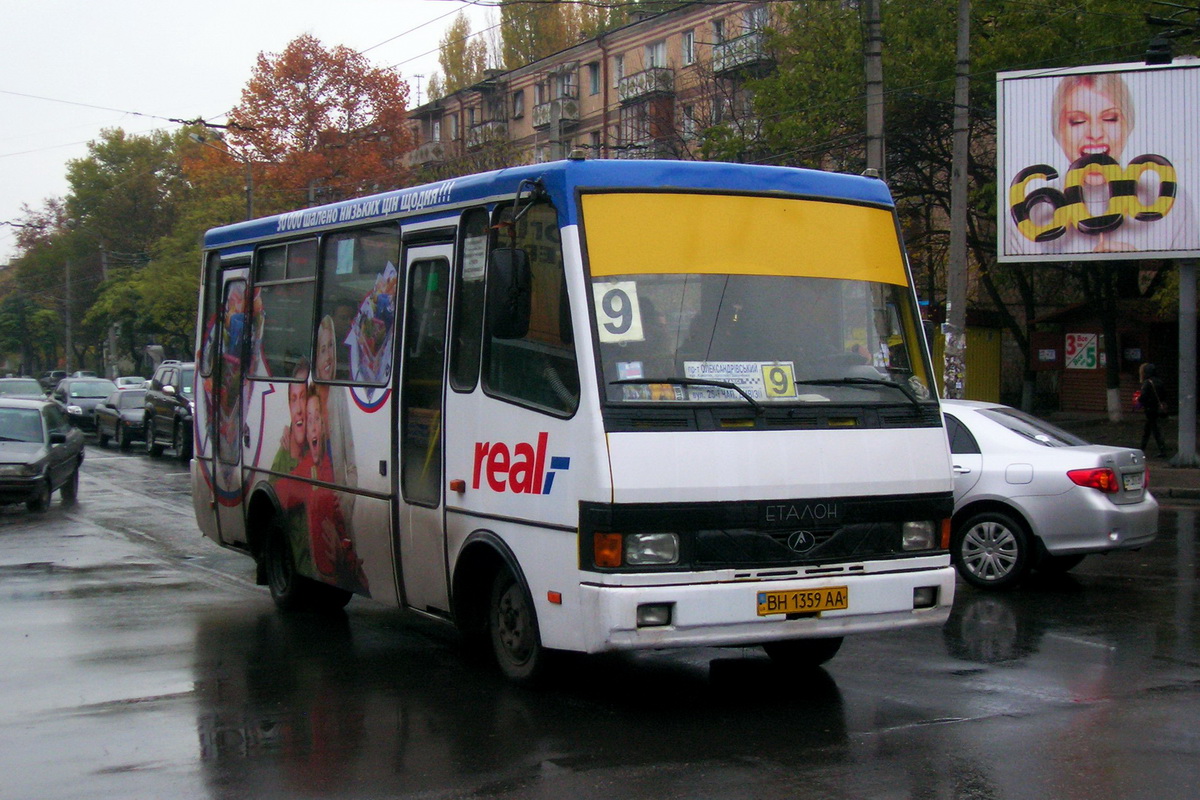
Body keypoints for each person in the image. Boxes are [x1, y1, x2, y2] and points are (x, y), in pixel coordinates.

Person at [1006, 72, 1197, 256]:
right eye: (1078, 121)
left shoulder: (1174, 203)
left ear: (1128, 125)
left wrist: (1137, 262)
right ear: (1058, 131)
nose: (1096, 133)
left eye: (1110, 118)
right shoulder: (1026, 217)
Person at [1138, 362, 1168, 457]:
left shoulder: (1148, 383)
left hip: (1149, 409)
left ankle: (1161, 450)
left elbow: (1143, 397)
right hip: (1157, 408)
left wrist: (1138, 400)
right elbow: (1164, 395)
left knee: (1153, 430)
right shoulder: (1159, 381)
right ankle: (1142, 449)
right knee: (1149, 429)